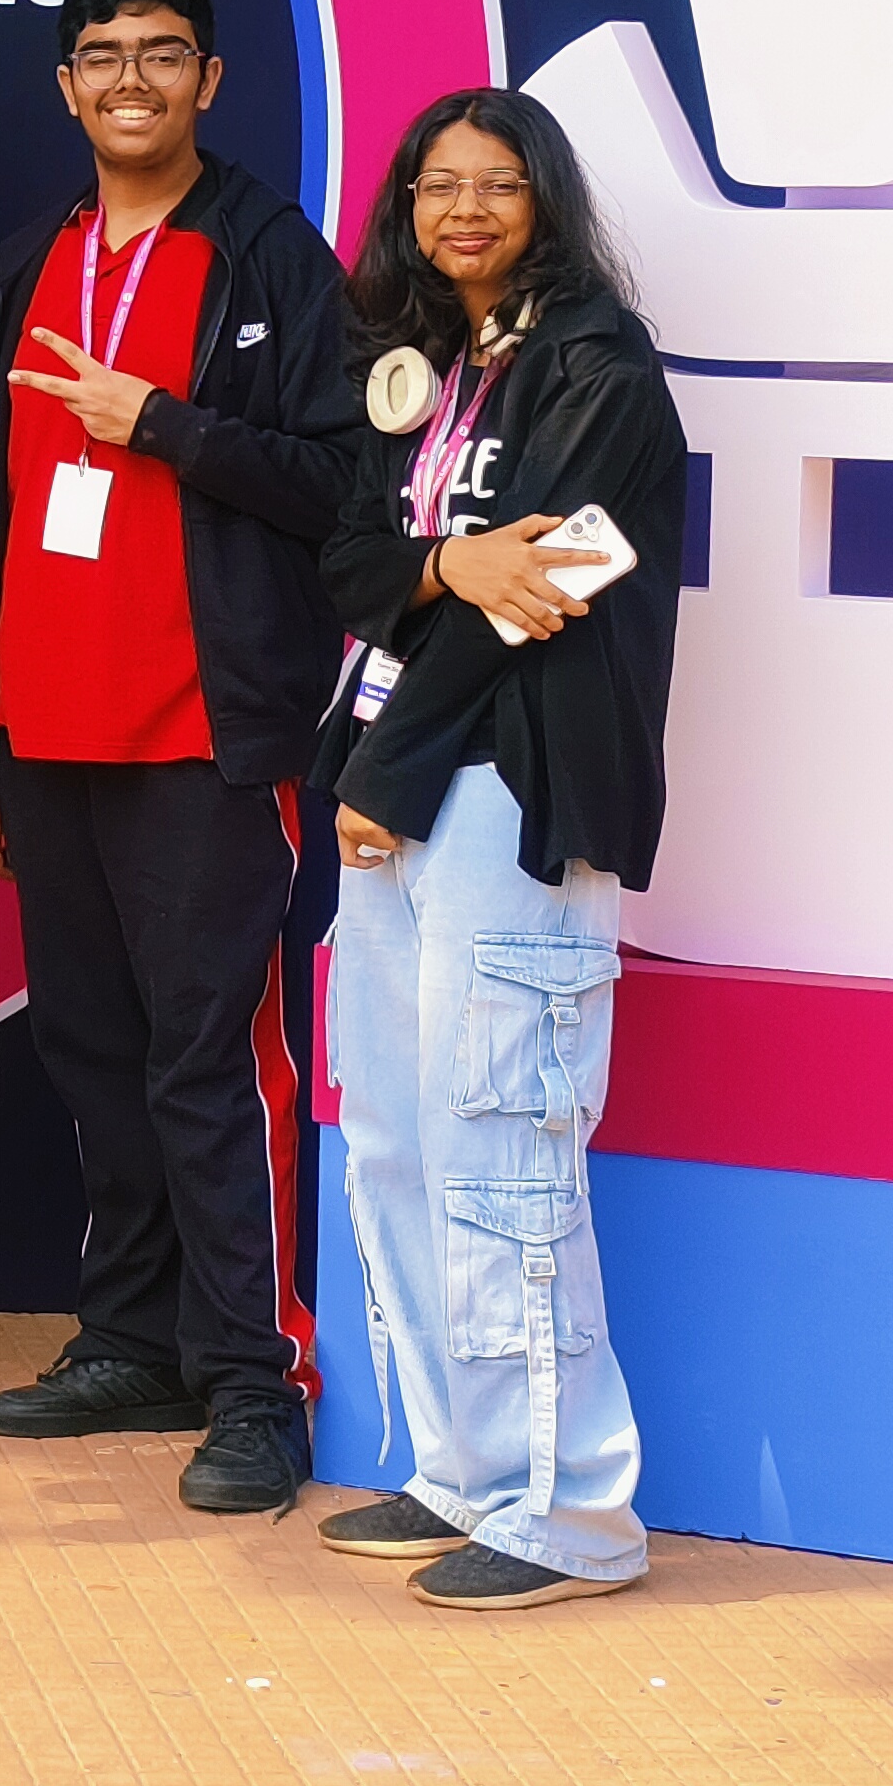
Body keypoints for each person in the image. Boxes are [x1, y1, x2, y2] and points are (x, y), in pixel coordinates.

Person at [0, 0, 356, 1519]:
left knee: (212, 1060)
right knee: (95, 1053)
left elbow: (343, 487)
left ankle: (257, 1382)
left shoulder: (268, 256)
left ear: (209, 79)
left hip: (203, 736)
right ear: (67, 86)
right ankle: (134, 1342)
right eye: (105, 55)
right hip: (49, 735)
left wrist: (164, 425)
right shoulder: (26, 261)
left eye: (164, 52)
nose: (133, 78)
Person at [312, 87, 686, 1611]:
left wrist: (390, 770)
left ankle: (573, 1515)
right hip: (392, 783)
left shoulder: (603, 370)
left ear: (547, 204)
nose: (463, 210)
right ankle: (462, 1469)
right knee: (399, 1140)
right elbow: (351, 562)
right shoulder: (410, 365)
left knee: (503, 1149)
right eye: (437, 185)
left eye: (498, 185)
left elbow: (543, 596)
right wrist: (446, 561)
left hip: (507, 794)